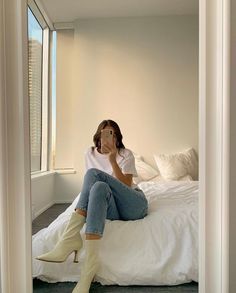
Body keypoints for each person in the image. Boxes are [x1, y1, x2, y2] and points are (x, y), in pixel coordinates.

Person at [36, 119, 148, 293]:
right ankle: (88, 269)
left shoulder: (126, 154)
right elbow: (90, 190)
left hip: (133, 204)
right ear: (98, 136)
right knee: (98, 186)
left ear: (117, 138)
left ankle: (70, 237)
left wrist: (112, 161)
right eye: (105, 134)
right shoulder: (89, 153)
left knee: (93, 174)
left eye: (112, 134)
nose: (109, 138)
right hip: (111, 208)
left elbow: (127, 184)